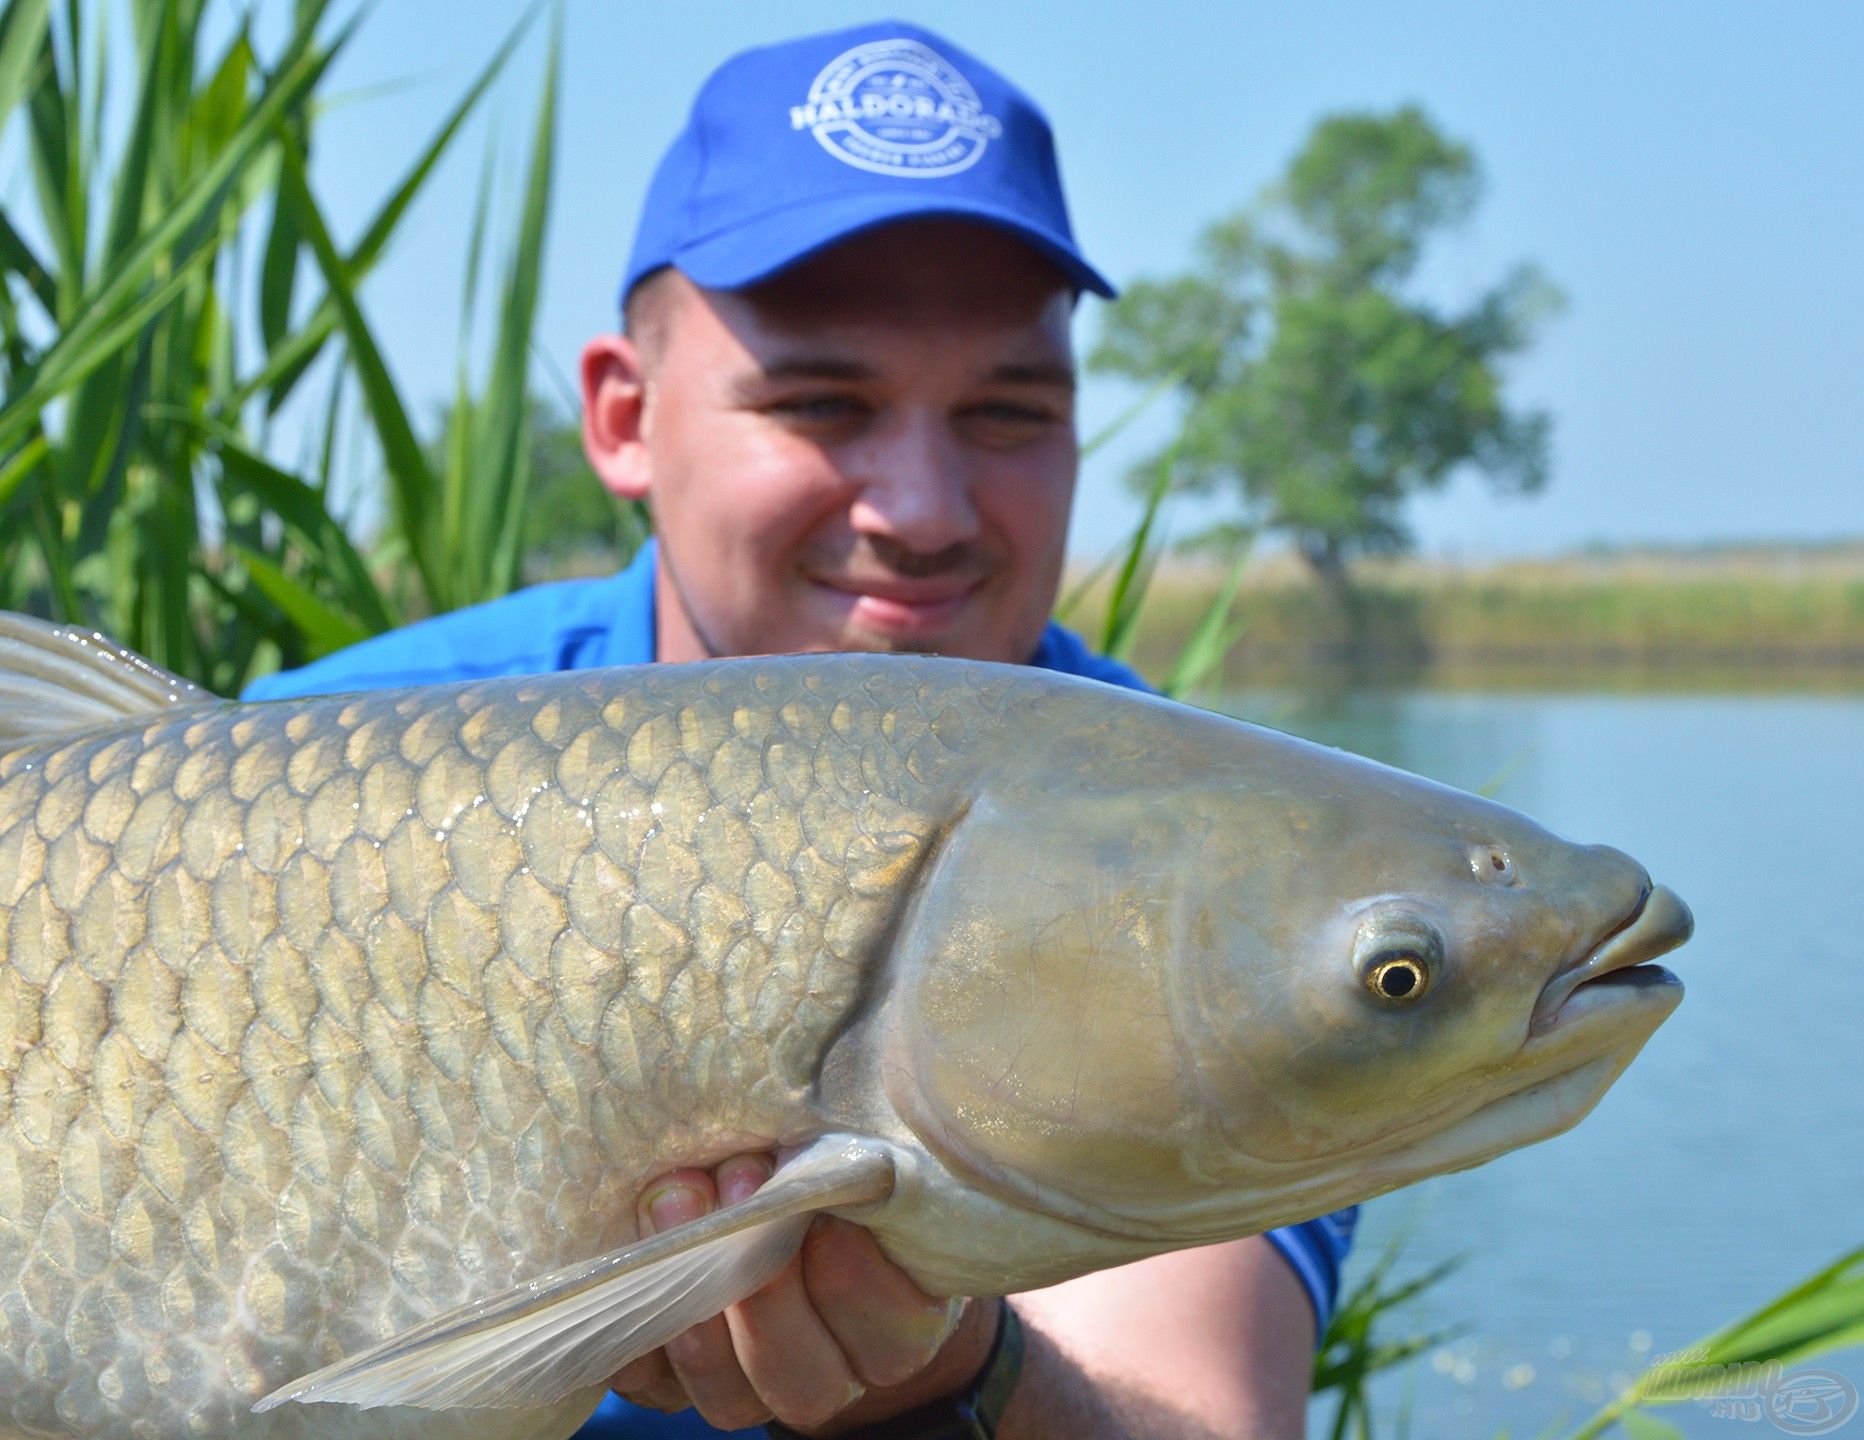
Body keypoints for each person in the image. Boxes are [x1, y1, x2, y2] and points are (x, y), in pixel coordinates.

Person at [247, 21, 1354, 1439]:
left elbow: (1195, 1416)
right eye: (824, 405)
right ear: (624, 416)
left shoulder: (1210, 873)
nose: (927, 508)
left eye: (1007, 413)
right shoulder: (313, 765)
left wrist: (953, 1386)